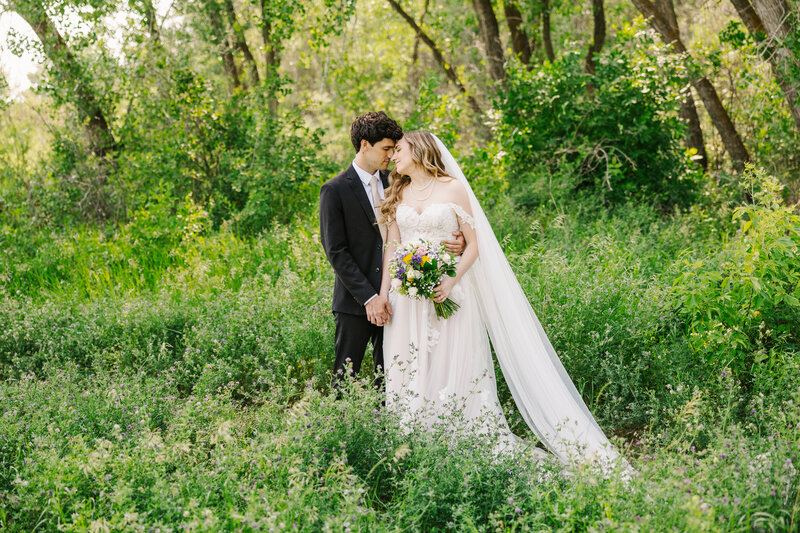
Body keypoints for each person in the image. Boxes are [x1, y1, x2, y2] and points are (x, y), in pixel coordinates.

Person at [378, 131, 625, 469]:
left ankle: (453, 438)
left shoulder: (453, 188)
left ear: (419, 150)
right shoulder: (398, 191)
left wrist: (450, 281)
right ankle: (412, 445)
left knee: (448, 364)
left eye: (400, 150)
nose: (394, 156)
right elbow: (391, 245)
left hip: (448, 292)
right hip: (406, 298)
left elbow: (476, 243)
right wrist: (385, 291)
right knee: (410, 363)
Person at [319, 113, 463, 388]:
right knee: (344, 378)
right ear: (364, 145)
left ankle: (386, 430)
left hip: (402, 295)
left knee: (393, 378)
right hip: (356, 300)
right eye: (386, 148)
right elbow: (336, 252)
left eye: (394, 149)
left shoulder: (399, 181)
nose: (391, 155)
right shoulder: (334, 190)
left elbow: (432, 216)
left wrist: (458, 241)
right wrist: (370, 297)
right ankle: (339, 428)